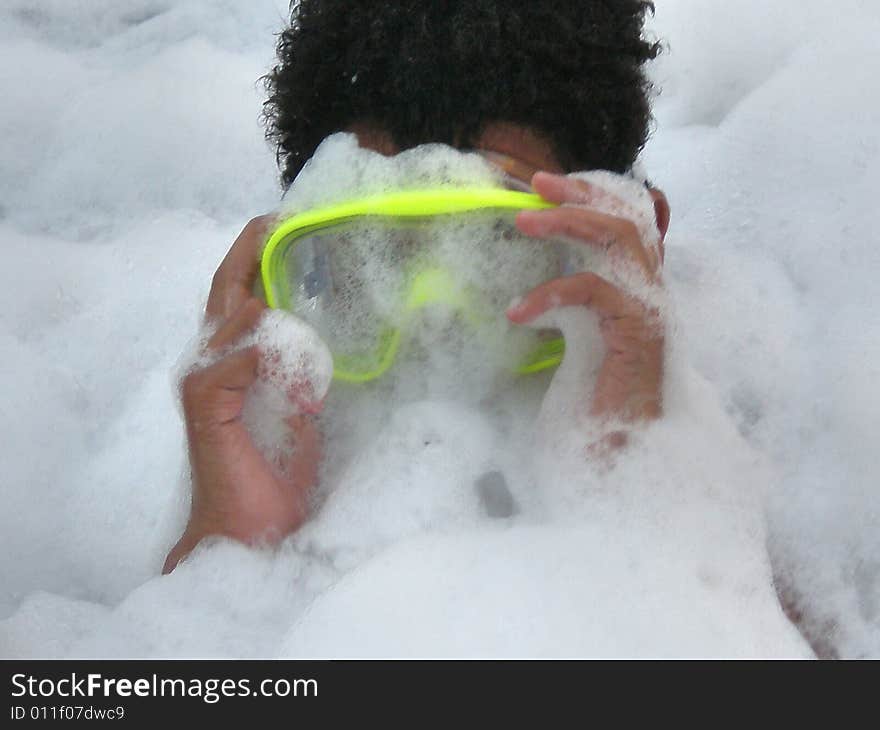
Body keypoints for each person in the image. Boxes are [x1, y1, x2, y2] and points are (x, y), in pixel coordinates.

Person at [163, 0, 669, 574]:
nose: (433, 323)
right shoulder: (255, 433)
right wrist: (229, 544)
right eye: (371, 249)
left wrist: (627, 459)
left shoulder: (732, 420)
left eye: (502, 240)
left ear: (641, 236)